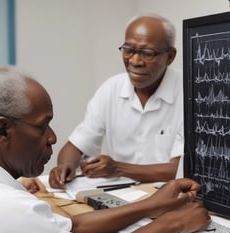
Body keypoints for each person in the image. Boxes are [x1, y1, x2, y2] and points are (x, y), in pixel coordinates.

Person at [0, 67, 210, 233]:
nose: (52, 138)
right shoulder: (3, 208)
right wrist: (173, 223)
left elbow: (70, 227)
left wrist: (150, 205)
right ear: (3, 130)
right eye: (43, 127)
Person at [49, 13, 184, 190]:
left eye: (147, 53)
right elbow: (75, 146)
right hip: (122, 193)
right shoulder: (111, 89)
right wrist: (64, 167)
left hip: (172, 196)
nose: (135, 61)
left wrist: (118, 168)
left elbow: (181, 169)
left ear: (170, 56)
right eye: (129, 50)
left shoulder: (189, 94)